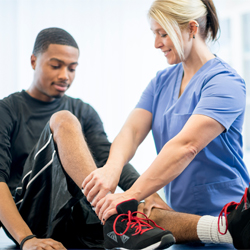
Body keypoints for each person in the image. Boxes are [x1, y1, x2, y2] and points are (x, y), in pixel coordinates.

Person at [82, 0, 250, 249]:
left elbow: (187, 145)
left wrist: (131, 194)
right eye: (154, 33)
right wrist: (111, 169)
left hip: (227, 221)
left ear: (191, 29)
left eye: (163, 33)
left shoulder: (224, 82)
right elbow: (132, 131)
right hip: (178, 223)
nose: (157, 43)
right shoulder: (162, 81)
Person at [0, 27, 174, 250]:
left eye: (72, 68)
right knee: (63, 119)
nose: (65, 75)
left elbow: (109, 158)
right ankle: (112, 220)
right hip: (32, 218)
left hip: (79, 216)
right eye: (56, 66)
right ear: (34, 61)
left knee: (148, 210)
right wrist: (26, 239)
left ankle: (224, 228)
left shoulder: (84, 110)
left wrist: (147, 194)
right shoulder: (7, 110)